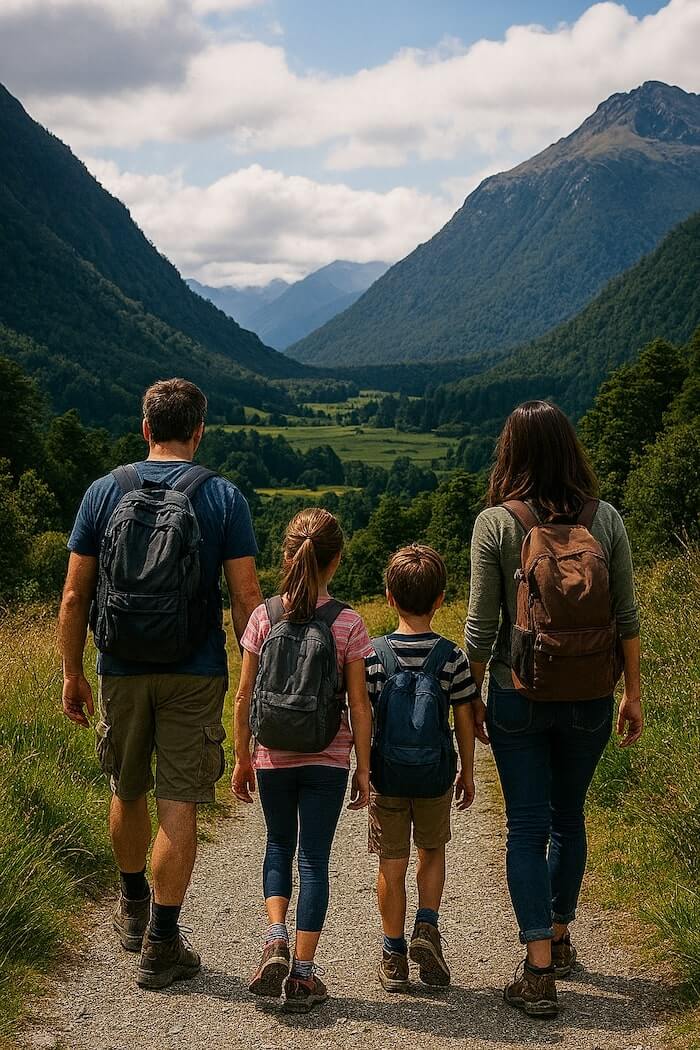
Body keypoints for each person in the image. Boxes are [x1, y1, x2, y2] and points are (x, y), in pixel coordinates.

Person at [59, 378, 262, 990]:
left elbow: (74, 595)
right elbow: (246, 596)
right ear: (199, 430)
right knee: (179, 801)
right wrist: (258, 671)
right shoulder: (223, 497)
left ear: (144, 427)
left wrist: (72, 670)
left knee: (127, 786)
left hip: (119, 665)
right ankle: (163, 944)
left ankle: (131, 907)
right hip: (194, 672)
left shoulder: (102, 492)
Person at [466, 400, 643, 1019]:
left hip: (518, 692)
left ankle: (538, 971)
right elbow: (626, 615)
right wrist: (634, 693)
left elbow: (479, 628)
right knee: (570, 818)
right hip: (592, 691)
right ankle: (561, 939)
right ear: (572, 449)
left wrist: (473, 698)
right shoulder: (607, 520)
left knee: (526, 826)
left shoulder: (496, 522)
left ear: (510, 453)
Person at [232, 508, 373, 1014]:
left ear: (287, 555)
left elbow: (245, 693)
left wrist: (242, 756)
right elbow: (359, 704)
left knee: (277, 844)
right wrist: (365, 766)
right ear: (336, 560)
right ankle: (304, 975)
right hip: (328, 757)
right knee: (314, 859)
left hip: (273, 752)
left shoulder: (263, 616)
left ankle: (275, 937)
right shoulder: (349, 623)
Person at [365, 545, 478, 993]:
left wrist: (361, 769)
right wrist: (467, 773)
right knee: (432, 852)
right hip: (434, 777)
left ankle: (393, 954)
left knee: (391, 864)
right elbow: (465, 719)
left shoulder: (372, 656)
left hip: (388, 777)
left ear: (389, 597)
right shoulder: (452, 657)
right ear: (440, 600)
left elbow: (363, 716)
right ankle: (426, 929)